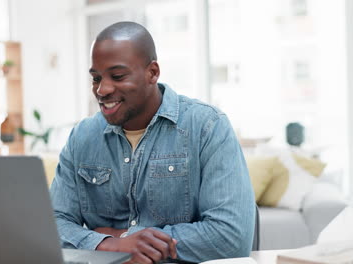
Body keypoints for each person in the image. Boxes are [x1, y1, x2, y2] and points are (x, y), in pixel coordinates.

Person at [50, 21, 255, 264]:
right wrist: (110, 244)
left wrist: (125, 238)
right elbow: (53, 225)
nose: (102, 90)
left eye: (117, 76)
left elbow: (231, 237)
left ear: (153, 73)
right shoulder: (82, 137)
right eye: (96, 78)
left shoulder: (207, 126)